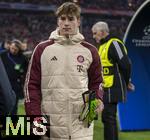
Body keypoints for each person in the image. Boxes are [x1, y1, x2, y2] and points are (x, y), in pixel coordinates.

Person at [24, 2, 104, 140]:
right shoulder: (42, 49)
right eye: (63, 19)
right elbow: (31, 86)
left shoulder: (90, 51)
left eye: (71, 19)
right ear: (58, 21)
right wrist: (35, 118)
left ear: (78, 21)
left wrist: (97, 100)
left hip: (82, 127)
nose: (66, 23)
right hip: (51, 127)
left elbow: (97, 82)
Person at [91, 21, 135, 140]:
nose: (94, 36)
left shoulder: (114, 43)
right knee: (107, 117)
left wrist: (126, 82)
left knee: (109, 117)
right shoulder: (102, 46)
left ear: (102, 32)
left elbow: (126, 64)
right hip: (106, 88)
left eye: (95, 33)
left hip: (113, 87)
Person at [1, 39, 28, 115]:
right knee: (3, 104)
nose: (13, 50)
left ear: (19, 49)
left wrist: (23, 80)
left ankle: (13, 123)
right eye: (12, 48)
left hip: (15, 84)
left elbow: (27, 71)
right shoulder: (3, 55)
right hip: (4, 83)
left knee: (14, 105)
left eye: (15, 49)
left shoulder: (23, 58)